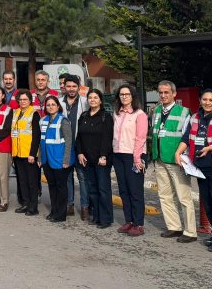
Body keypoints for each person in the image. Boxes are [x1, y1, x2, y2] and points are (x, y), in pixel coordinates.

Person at [174, 89, 212, 253]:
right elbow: (186, 138)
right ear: (200, 100)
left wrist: (210, 148)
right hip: (201, 168)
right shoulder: (195, 117)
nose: (207, 102)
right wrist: (178, 152)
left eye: (211, 100)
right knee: (209, 204)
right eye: (205, 99)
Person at [150, 80, 197, 243]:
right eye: (161, 92)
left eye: (166, 92)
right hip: (160, 158)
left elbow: (187, 137)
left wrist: (183, 156)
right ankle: (174, 227)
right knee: (164, 195)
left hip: (176, 160)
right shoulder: (156, 111)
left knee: (184, 197)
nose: (163, 95)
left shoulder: (184, 112)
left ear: (174, 94)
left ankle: (190, 231)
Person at [112, 83, 148, 237]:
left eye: (127, 94)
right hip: (118, 154)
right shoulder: (117, 114)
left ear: (132, 96)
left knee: (135, 191)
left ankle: (139, 223)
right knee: (124, 189)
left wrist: (137, 158)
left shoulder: (139, 114)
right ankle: (129, 220)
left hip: (134, 156)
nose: (124, 97)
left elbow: (140, 138)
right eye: (121, 94)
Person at [77, 89, 114, 228]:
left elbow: (107, 138)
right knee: (92, 188)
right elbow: (79, 136)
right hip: (87, 159)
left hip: (101, 159)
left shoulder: (106, 116)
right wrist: (80, 153)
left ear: (100, 100)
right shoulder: (84, 115)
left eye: (95, 97)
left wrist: (103, 155)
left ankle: (105, 218)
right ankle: (97, 216)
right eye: (90, 97)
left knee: (103, 189)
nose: (92, 100)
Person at [39, 95, 74, 222]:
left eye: (53, 104)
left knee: (61, 187)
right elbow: (40, 141)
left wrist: (66, 160)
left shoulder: (63, 120)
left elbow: (69, 141)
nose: (50, 107)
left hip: (60, 160)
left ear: (58, 106)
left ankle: (61, 214)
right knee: (52, 186)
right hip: (47, 160)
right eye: (48, 105)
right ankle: (54, 210)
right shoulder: (43, 120)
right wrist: (40, 158)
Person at [60, 74, 88, 218]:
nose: (71, 89)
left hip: (80, 145)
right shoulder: (59, 102)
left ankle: (84, 207)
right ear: (64, 87)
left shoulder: (85, 102)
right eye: (68, 86)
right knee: (67, 176)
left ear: (79, 87)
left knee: (82, 177)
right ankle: (69, 204)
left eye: (74, 86)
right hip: (65, 145)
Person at [12, 90, 41, 216]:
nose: (23, 102)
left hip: (29, 153)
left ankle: (33, 207)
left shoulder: (34, 114)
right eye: (21, 99)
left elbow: (36, 135)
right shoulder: (16, 112)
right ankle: (25, 203)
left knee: (32, 181)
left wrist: (33, 154)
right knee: (22, 180)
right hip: (18, 153)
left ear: (30, 101)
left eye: (25, 99)